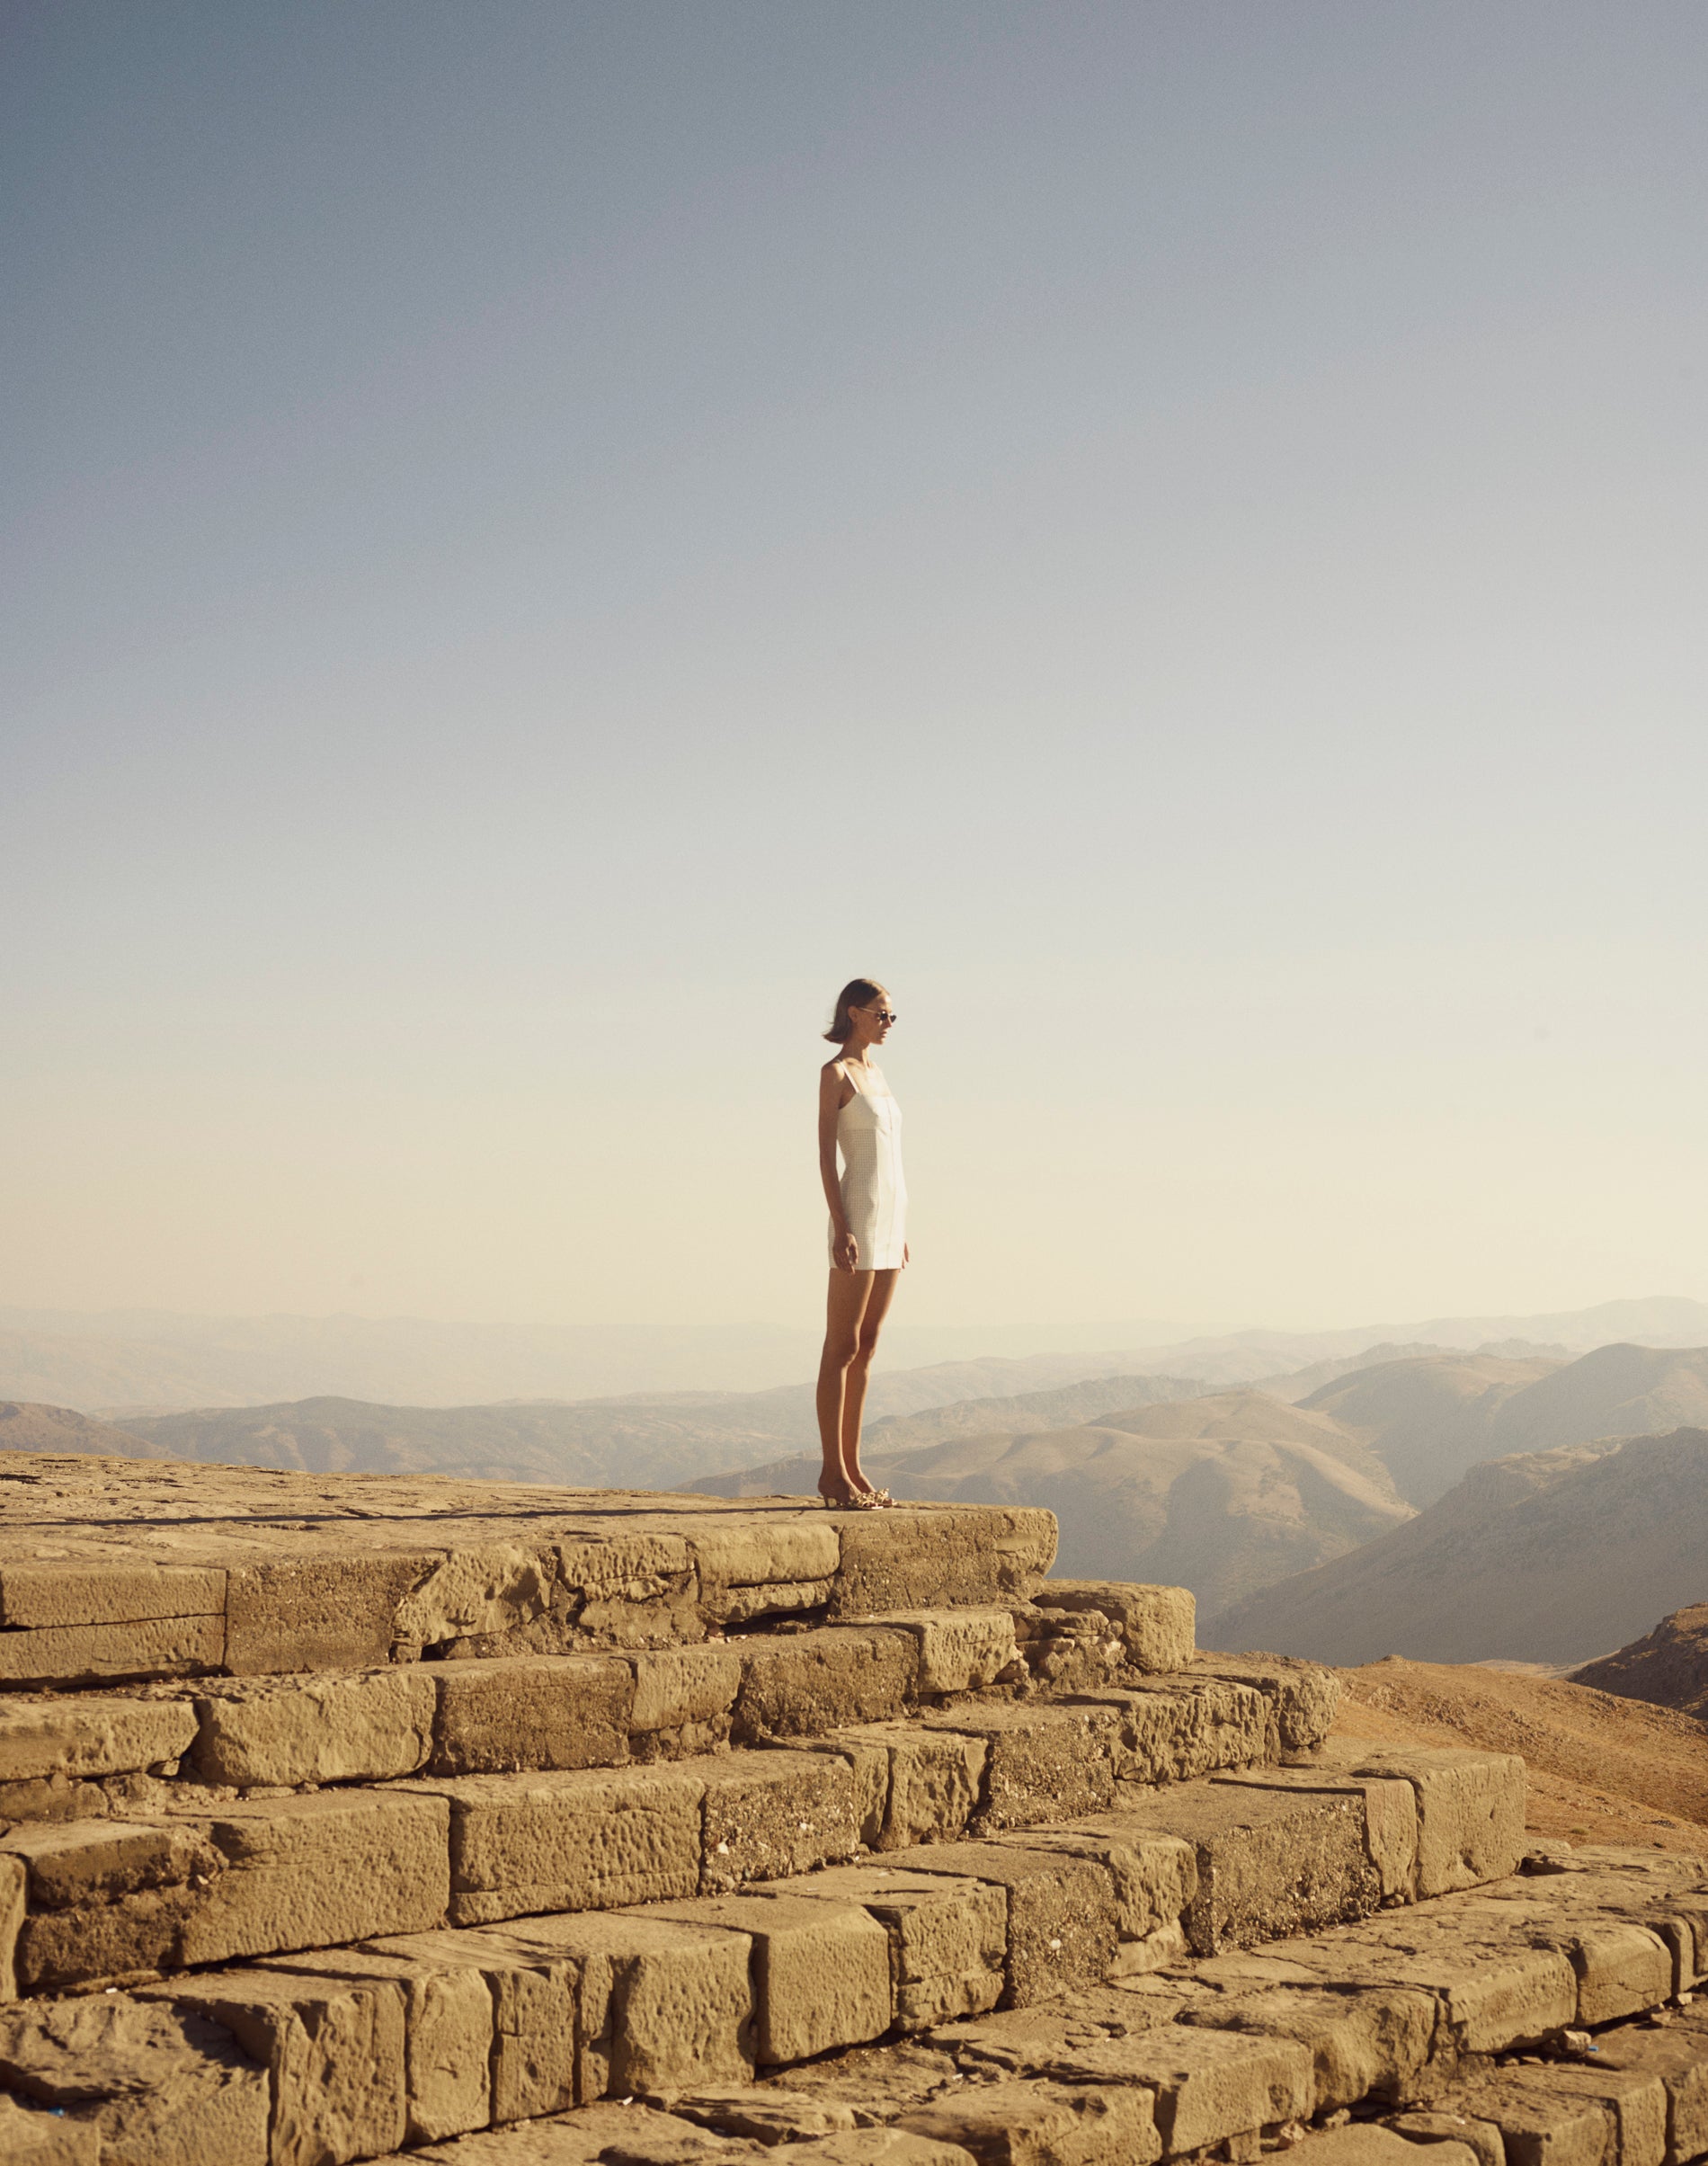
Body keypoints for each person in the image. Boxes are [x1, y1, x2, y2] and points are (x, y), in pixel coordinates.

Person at [815, 977, 908, 1509]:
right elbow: (828, 1157)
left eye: (892, 1016)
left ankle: (853, 1467)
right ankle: (832, 1473)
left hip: (892, 1220)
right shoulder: (836, 1074)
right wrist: (841, 1223)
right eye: (882, 1014)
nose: (889, 1023)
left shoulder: (878, 1073)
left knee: (868, 1343)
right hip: (858, 1215)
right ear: (855, 1014)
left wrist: (901, 1229)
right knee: (842, 1344)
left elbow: (890, 1159)